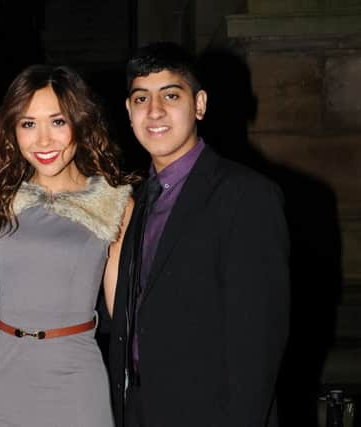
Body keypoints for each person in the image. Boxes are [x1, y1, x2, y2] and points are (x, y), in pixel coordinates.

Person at [108, 42, 290, 427]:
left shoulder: (246, 196)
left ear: (200, 104)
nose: (154, 111)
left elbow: (258, 343)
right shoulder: (136, 199)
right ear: (128, 111)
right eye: (141, 98)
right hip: (138, 410)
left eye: (171, 95)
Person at [0, 65, 133, 426]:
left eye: (58, 122)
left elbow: (123, 312)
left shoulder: (114, 203)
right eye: (28, 124)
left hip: (76, 379)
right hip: (3, 378)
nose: (43, 141)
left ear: (80, 123)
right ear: (14, 130)